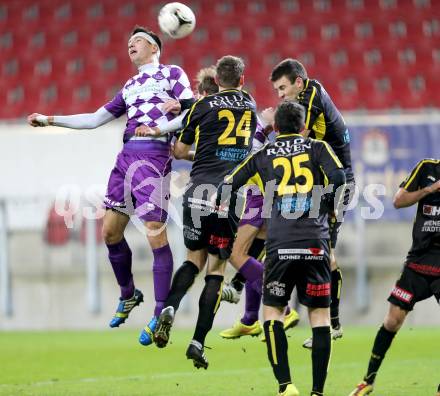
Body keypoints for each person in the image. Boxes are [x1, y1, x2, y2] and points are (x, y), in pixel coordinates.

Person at [27, 26, 194, 346]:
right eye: (128, 41)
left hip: (154, 157)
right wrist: (50, 119)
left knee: (155, 230)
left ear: (155, 47)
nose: (130, 44)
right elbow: (93, 119)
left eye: (138, 41)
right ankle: (129, 293)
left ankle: (161, 312)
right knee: (109, 232)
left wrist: (159, 129)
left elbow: (190, 112)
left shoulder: (172, 74)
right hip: (125, 158)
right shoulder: (130, 85)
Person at [218, 100, 346, 396]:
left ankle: (286, 386)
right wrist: (326, 207)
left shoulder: (264, 154)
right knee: (320, 317)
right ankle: (317, 392)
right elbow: (339, 178)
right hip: (315, 241)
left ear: (275, 128)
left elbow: (230, 183)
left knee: (273, 312)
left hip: (280, 243)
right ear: (303, 127)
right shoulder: (317, 148)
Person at [151, 55, 266, 370]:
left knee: (193, 260)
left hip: (198, 190)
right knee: (216, 270)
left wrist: (195, 150)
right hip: (229, 194)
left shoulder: (203, 106)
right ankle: (198, 342)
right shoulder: (250, 105)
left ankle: (171, 307)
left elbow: (177, 150)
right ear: (241, 80)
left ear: (217, 81)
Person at [265, 58, 354, 348]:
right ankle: (330, 323)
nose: (280, 95)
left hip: (336, 181)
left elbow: (296, 136)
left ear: (299, 83)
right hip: (320, 179)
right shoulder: (308, 97)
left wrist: (267, 128)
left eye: (282, 88)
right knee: (320, 250)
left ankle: (331, 324)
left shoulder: (313, 94)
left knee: (325, 253)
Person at [349, 158, 440, 396]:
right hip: (418, 262)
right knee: (393, 320)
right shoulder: (427, 168)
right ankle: (368, 380)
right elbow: (398, 201)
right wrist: (430, 189)